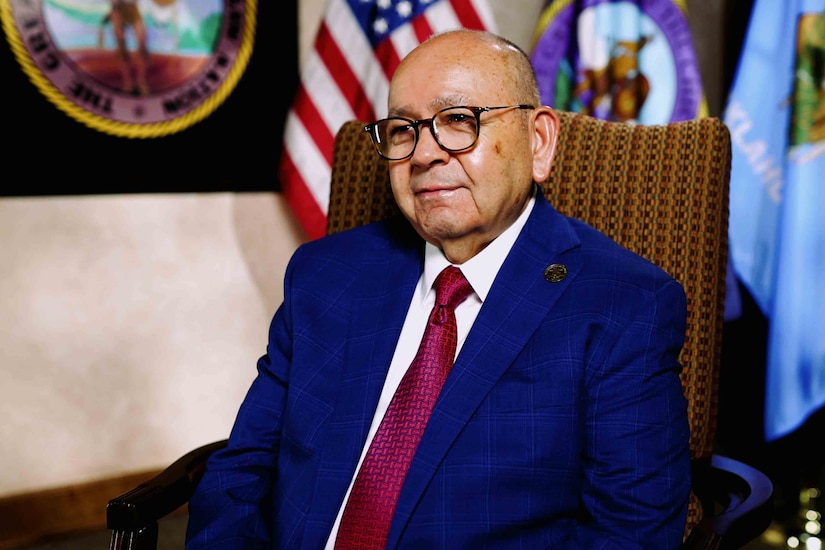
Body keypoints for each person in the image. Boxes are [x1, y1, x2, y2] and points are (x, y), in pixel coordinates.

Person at [186, 29, 691, 549]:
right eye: (403, 130)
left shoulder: (624, 305)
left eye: (458, 120)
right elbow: (241, 471)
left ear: (538, 142)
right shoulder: (325, 275)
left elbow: (630, 535)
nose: (423, 154)